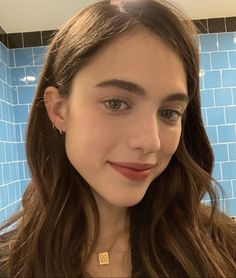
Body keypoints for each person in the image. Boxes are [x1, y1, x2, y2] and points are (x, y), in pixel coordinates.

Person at [0, 0, 236, 277]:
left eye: (169, 112)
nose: (151, 143)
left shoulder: (222, 248)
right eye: (115, 103)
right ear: (58, 109)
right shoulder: (11, 264)